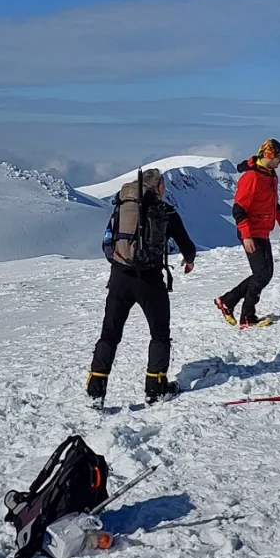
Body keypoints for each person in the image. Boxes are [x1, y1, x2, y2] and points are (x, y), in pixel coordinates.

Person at [86, 168, 198, 406]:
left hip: (119, 278)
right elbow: (186, 245)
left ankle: (96, 390)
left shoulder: (121, 208)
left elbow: (107, 242)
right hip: (150, 280)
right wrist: (189, 260)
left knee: (110, 334)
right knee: (159, 334)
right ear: (158, 187)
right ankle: (155, 388)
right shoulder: (165, 212)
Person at [214, 139, 280, 329]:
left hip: (262, 231)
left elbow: (273, 203)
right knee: (261, 274)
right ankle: (247, 316)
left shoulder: (271, 175)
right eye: (279, 157)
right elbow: (239, 209)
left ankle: (227, 301)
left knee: (265, 273)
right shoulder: (251, 178)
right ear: (269, 156)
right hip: (251, 232)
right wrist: (246, 235)